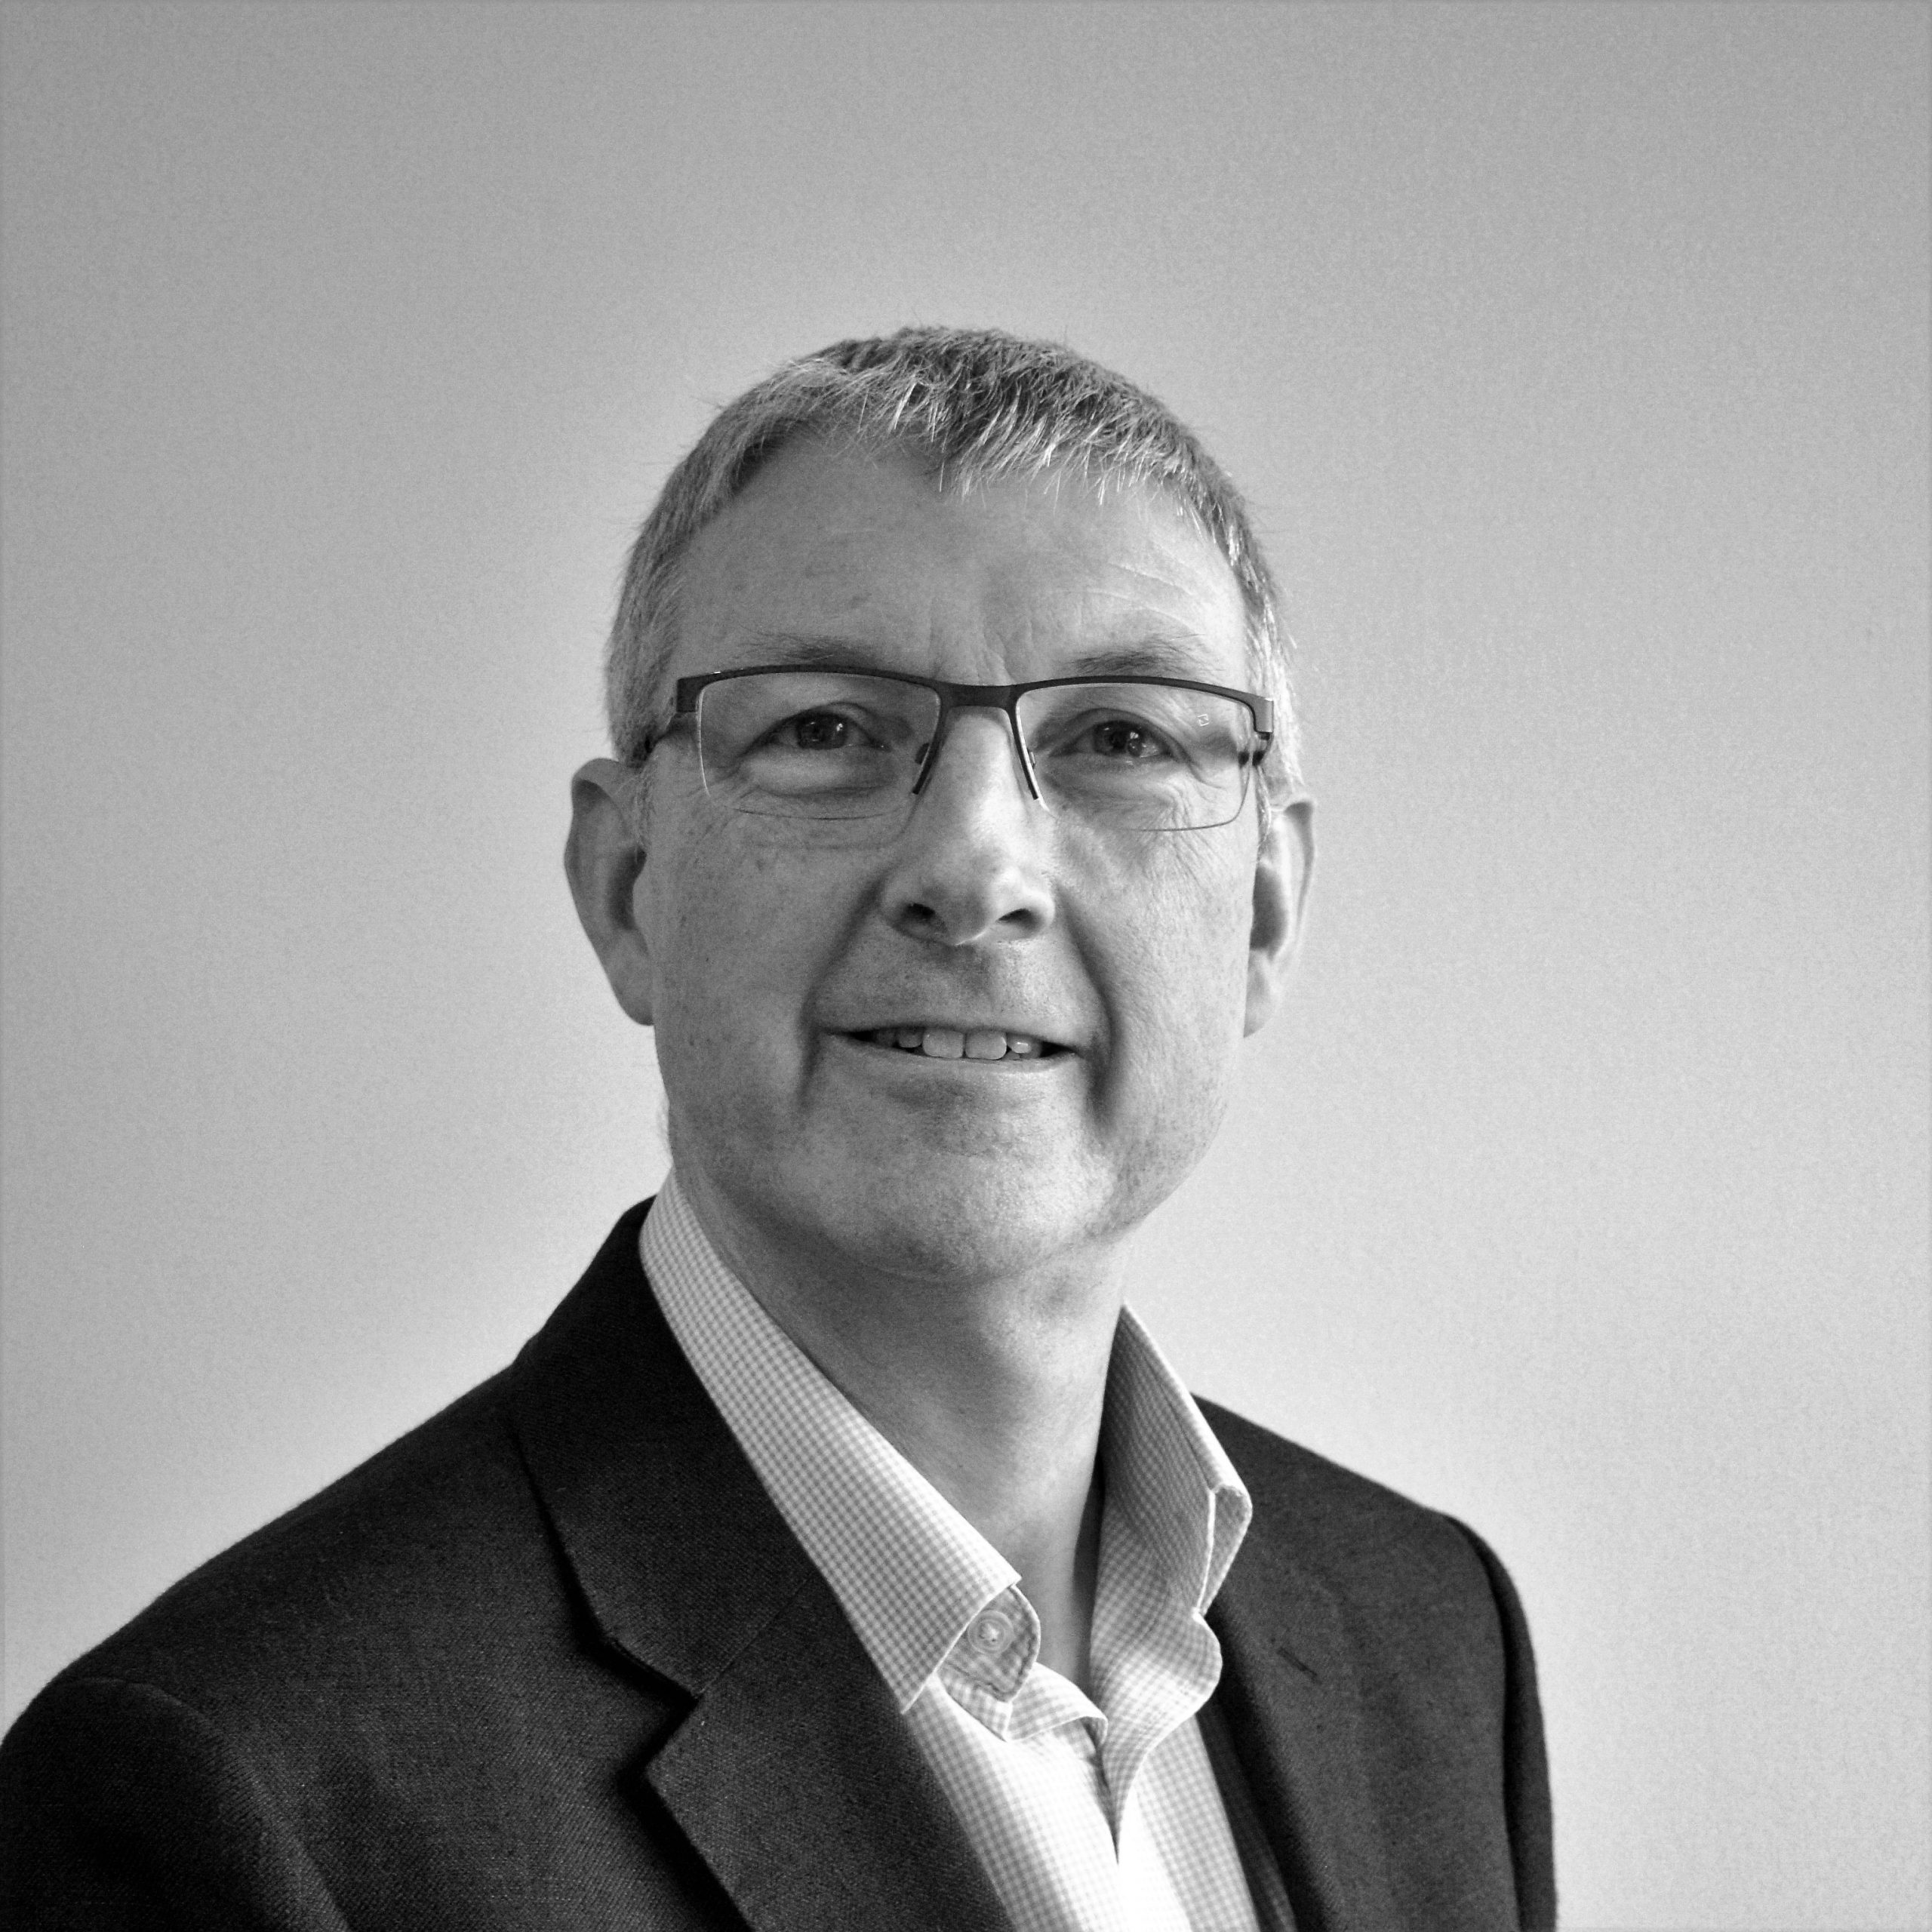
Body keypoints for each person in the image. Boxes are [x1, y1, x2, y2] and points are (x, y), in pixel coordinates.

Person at [1, 328, 1555, 1930]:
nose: (974, 863)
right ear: (625, 888)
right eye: (824, 728)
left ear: (1264, 914)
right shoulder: (239, 1788)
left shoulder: (1428, 1636)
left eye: (1119, 736)